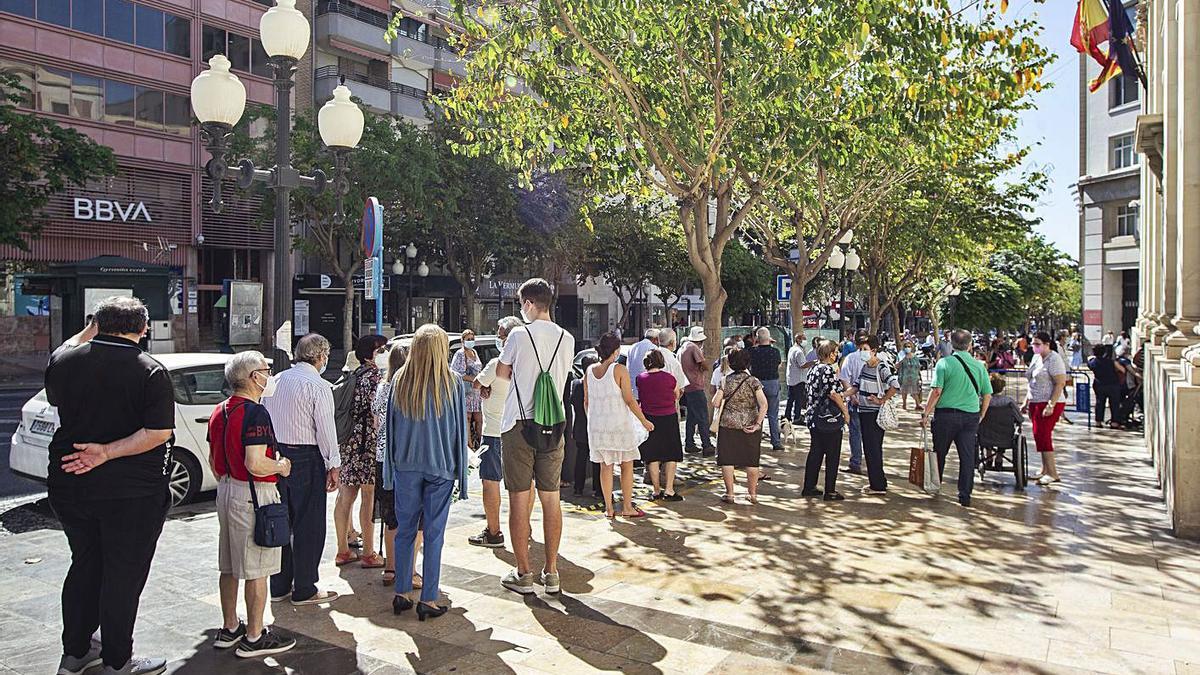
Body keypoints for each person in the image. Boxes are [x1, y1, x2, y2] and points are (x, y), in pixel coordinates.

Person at [45, 297, 174, 675]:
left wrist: (90, 329)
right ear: (144, 328)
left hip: (70, 485)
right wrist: (106, 452)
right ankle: (118, 660)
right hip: (131, 493)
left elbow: (65, 349)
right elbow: (157, 433)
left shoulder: (65, 362)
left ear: (97, 326)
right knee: (123, 574)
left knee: (84, 565)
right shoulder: (150, 370)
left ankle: (76, 651)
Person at [208, 351, 297, 658]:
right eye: (265, 370)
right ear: (251, 377)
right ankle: (255, 636)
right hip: (254, 493)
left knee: (230, 566)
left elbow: (214, 461)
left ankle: (230, 626)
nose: (269, 374)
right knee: (258, 569)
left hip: (228, 489)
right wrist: (282, 465)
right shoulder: (255, 413)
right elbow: (257, 462)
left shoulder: (220, 410)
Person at [496, 278, 575, 595]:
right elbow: (563, 376)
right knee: (551, 498)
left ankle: (524, 573)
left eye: (521, 304)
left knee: (518, 499)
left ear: (529, 303)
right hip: (553, 424)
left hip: (518, 423)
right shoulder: (566, 339)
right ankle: (552, 572)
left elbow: (502, 373)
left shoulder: (518, 334)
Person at [384, 324, 467, 621]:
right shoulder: (453, 383)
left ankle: (402, 592)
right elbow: (460, 429)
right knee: (433, 534)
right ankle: (429, 598)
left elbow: (389, 430)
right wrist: (462, 470)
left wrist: (389, 468)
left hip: (405, 466)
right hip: (441, 466)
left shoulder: (399, 381)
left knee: (405, 531)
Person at [262, 333, 341, 606]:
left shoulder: (276, 380)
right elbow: (326, 430)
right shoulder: (318, 386)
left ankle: (280, 583)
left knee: (281, 518)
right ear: (320, 356)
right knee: (309, 523)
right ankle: (305, 586)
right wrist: (334, 464)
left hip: (278, 453)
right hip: (306, 456)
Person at [921, 329, 993, 508]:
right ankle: (965, 494)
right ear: (970, 345)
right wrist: (981, 414)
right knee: (967, 457)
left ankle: (935, 487)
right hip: (970, 417)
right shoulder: (979, 366)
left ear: (952, 344)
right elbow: (987, 394)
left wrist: (926, 413)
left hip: (945, 416)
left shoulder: (944, 363)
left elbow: (936, 391)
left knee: (940, 453)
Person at [334, 335, 388, 569]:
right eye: (382, 349)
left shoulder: (353, 375)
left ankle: (342, 550)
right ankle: (368, 552)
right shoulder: (376, 378)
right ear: (371, 353)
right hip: (368, 443)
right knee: (368, 495)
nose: (385, 352)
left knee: (345, 495)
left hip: (349, 441)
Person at [586, 332, 654, 518]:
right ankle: (627, 507)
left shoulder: (589, 370)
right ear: (616, 351)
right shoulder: (619, 370)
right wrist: (644, 421)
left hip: (597, 427)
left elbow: (587, 402)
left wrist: (594, 421)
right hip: (619, 424)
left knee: (605, 467)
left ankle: (609, 508)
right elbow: (630, 400)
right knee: (626, 465)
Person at [470, 316, 523, 547]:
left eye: (501, 335)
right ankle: (523, 527)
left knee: (490, 481)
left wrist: (486, 386)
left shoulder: (496, 365)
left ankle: (494, 532)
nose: (498, 339)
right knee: (523, 484)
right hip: (520, 430)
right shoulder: (526, 366)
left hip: (494, 432)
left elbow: (476, 385)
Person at [372, 343, 421, 588]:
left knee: (390, 516)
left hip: (384, 457)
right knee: (413, 517)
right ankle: (410, 570)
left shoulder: (383, 387)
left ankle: (391, 568)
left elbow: (375, 418)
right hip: (408, 458)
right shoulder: (413, 387)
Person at [712, 348, 769, 504]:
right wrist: (758, 423)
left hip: (728, 424)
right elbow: (764, 404)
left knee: (727, 459)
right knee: (751, 460)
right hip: (750, 425)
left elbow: (716, 403)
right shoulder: (754, 381)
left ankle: (730, 493)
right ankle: (752, 494)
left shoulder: (725, 380)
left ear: (730, 362)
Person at [846, 336, 899, 494]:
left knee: (873, 448)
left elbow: (895, 385)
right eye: (860, 349)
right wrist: (843, 395)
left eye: (865, 349)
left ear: (874, 351)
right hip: (863, 412)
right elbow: (856, 386)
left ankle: (877, 485)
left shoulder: (881, 367)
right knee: (870, 448)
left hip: (873, 414)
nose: (861, 352)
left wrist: (881, 400)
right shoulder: (865, 367)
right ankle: (877, 480)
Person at [802, 340, 850, 501]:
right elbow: (833, 394)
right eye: (836, 352)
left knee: (816, 451)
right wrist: (845, 411)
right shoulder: (828, 371)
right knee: (832, 454)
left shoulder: (813, 369)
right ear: (830, 354)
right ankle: (830, 490)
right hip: (828, 418)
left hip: (813, 417)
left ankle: (809, 486)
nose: (837, 355)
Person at [637, 349, 685, 501]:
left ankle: (656, 490)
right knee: (671, 454)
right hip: (668, 418)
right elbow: (677, 394)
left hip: (649, 419)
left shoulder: (640, 378)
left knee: (652, 456)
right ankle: (669, 489)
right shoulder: (670, 378)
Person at [1023, 331, 1068, 485]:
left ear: (1047, 344)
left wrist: (1051, 404)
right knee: (1038, 435)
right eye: (1033, 344)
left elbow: (1060, 383)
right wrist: (1026, 401)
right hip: (1035, 401)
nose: (1034, 347)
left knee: (1043, 435)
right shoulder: (1036, 358)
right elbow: (1032, 381)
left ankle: (1053, 472)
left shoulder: (1054, 359)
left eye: (1038, 344)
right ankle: (1044, 469)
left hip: (1048, 402)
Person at [568, 354, 602, 498]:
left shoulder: (576, 384)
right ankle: (598, 489)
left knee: (581, 457)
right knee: (597, 459)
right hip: (595, 426)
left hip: (580, 426)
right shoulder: (598, 385)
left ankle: (578, 488)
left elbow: (573, 403)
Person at [838, 334, 872, 475]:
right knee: (869, 435)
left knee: (856, 433)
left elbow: (844, 379)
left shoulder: (850, 358)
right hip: (870, 403)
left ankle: (856, 462)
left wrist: (851, 395)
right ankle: (871, 464)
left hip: (857, 402)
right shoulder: (875, 358)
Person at [678, 326, 713, 456]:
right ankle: (706, 445)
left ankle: (689, 443)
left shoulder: (683, 347)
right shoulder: (694, 348)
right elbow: (704, 365)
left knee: (691, 417)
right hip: (696, 386)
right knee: (702, 417)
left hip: (687, 386)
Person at [748, 327, 784, 452]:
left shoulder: (752, 351)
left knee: (758, 414)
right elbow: (779, 365)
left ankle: (756, 440)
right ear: (769, 338)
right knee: (773, 415)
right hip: (773, 383)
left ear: (757, 339)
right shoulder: (776, 352)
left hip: (757, 384)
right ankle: (776, 441)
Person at [451, 329, 485, 451]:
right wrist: (474, 378)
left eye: (472, 339)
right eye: (468, 339)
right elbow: (456, 373)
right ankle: (469, 446)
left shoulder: (474, 352)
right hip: (466, 391)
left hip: (477, 391)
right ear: (463, 341)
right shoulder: (460, 354)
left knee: (479, 419)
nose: (471, 341)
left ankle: (480, 444)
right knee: (467, 418)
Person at [978, 373, 1024, 463]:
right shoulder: (1009, 402)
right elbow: (1019, 418)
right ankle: (999, 455)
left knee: (985, 429)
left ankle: (988, 453)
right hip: (1005, 436)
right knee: (1004, 431)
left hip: (985, 436)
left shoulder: (982, 402)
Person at [1088, 344, 1127, 429]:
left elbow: (1090, 364)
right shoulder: (1111, 362)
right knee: (1114, 404)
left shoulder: (1093, 362)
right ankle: (1114, 422)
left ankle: (1098, 421)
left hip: (1099, 385)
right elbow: (1123, 370)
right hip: (1113, 385)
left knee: (1099, 403)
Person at [626, 328, 660, 399]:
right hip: (647, 390)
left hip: (632, 389)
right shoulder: (654, 348)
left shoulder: (633, 347)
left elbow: (628, 367)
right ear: (655, 339)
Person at [784, 333, 809, 423]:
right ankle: (797, 417)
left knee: (790, 398)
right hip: (799, 379)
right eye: (804, 338)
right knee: (798, 399)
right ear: (798, 339)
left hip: (792, 378)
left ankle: (787, 415)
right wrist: (813, 363)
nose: (805, 340)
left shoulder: (792, 349)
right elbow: (802, 365)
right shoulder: (798, 352)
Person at [897, 341, 923, 410]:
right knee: (904, 391)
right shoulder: (901, 355)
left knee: (915, 391)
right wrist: (902, 360)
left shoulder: (915, 356)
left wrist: (919, 376)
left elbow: (918, 366)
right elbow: (896, 366)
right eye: (906, 347)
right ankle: (904, 404)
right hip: (904, 376)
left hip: (914, 377)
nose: (907, 348)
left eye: (909, 346)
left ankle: (917, 404)